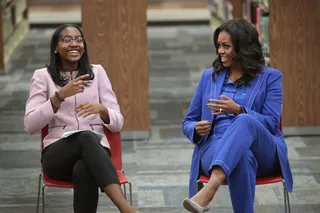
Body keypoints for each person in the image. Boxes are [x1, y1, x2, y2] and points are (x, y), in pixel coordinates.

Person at [181, 18, 293, 213]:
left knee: (244, 121)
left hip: (262, 148)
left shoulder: (271, 77)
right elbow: (188, 122)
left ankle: (210, 188)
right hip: (215, 147)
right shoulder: (209, 77)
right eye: (218, 46)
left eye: (226, 46)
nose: (220, 51)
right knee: (241, 157)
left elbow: (272, 124)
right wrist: (195, 128)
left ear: (243, 48)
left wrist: (239, 110)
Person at [24, 24, 136, 213]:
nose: (74, 44)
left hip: (95, 155)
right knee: (85, 136)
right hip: (57, 156)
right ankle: (126, 209)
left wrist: (102, 110)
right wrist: (59, 97)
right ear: (55, 47)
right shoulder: (43, 77)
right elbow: (30, 125)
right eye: (67, 40)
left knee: (85, 168)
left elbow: (118, 123)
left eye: (78, 39)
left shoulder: (97, 73)